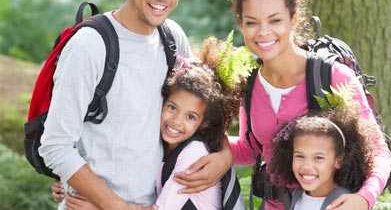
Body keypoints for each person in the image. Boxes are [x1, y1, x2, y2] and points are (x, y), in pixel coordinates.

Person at [175, 0, 391, 210]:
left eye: (275, 20)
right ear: (240, 24)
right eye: (252, 22)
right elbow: (253, 147)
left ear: (294, 19)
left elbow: (378, 152)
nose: (263, 32)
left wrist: (364, 198)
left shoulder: (332, 77)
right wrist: (216, 150)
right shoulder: (250, 83)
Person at [40, 0, 195, 210]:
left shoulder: (173, 39)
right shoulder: (90, 46)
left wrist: (222, 159)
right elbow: (55, 146)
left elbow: (200, 117)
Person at [52, 39, 248, 210]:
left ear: (203, 124)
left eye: (191, 117)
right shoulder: (165, 147)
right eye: (172, 107)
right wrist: (72, 183)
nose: (176, 121)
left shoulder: (193, 154)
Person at [269, 98, 374, 210]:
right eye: (300, 156)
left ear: (338, 161)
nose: (307, 166)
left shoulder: (344, 205)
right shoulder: (295, 197)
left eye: (318, 158)